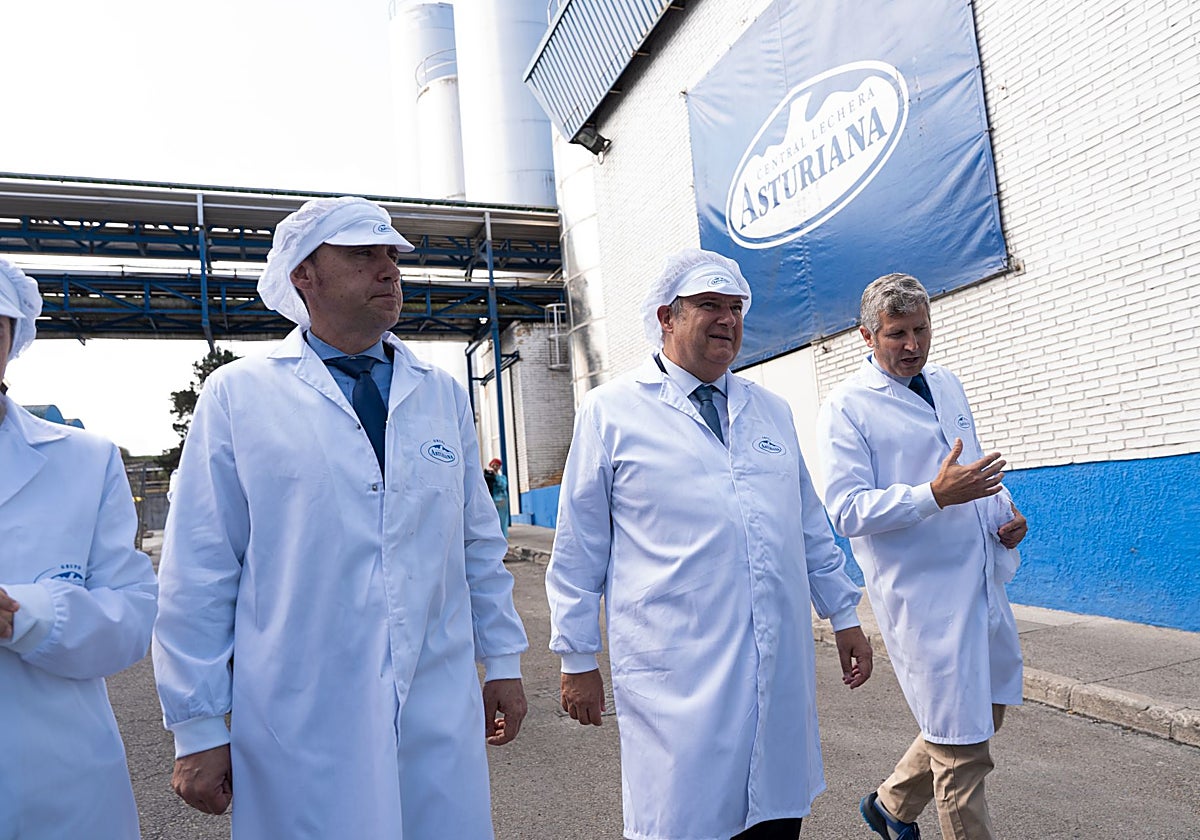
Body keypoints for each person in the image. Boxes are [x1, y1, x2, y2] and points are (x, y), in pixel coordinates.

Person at [152, 196, 529, 839]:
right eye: (362, 254)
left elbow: (476, 547)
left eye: (391, 255)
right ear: (304, 274)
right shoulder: (241, 396)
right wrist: (196, 725)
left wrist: (504, 663)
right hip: (299, 713)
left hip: (437, 705)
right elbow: (201, 568)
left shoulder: (438, 392)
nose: (388, 269)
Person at [546, 248, 873, 840]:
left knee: (773, 821)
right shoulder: (611, 412)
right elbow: (578, 547)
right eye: (708, 306)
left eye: (735, 308)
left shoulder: (769, 411)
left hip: (775, 668)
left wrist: (844, 615)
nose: (727, 319)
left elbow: (808, 526)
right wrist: (576, 658)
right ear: (667, 317)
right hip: (675, 675)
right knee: (685, 820)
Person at [816, 273, 1027, 840]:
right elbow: (846, 509)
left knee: (988, 706)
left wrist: (1004, 515)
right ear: (867, 335)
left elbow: (971, 467)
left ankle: (889, 806)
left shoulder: (947, 384)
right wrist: (932, 497)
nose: (912, 345)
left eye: (921, 330)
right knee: (961, 757)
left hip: (978, 577)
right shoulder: (847, 407)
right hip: (924, 597)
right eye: (896, 334)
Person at [0, 257, 158, 839]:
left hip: (59, 783)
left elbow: (134, 615)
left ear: (15, 338)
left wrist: (28, 617)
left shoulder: (86, 461)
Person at [487, 457, 511, 538]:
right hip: (493, 500)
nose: (495, 467)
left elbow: (503, 485)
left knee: (502, 519)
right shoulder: (489, 477)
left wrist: (496, 476)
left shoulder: (502, 477)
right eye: (493, 465)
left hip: (502, 501)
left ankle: (503, 535)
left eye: (497, 465)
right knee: (493, 519)